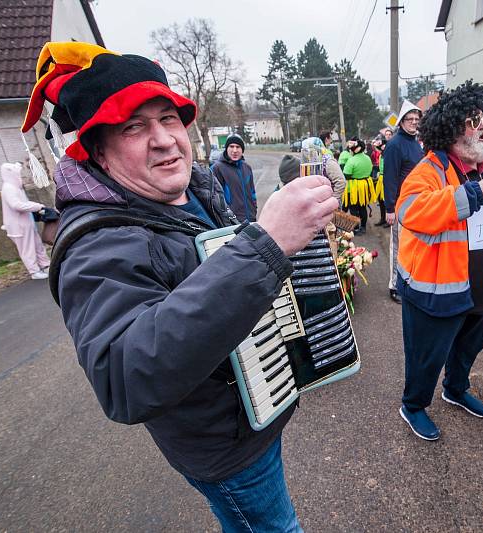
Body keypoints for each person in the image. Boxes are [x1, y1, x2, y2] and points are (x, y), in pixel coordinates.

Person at [21, 42, 337, 531]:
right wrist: (267, 246)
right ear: (98, 152)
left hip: (258, 407)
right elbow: (124, 378)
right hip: (223, 447)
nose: (165, 139)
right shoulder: (95, 244)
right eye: (134, 127)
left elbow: (227, 277)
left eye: (168, 118)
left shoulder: (198, 187)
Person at [395, 80, 483, 441]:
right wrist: (474, 193)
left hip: (478, 281)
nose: (482, 127)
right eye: (474, 121)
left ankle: (456, 389)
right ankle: (413, 406)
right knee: (427, 354)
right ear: (452, 129)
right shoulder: (427, 170)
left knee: (471, 343)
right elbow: (410, 212)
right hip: (435, 285)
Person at [383, 100, 424, 303]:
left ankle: (408, 281)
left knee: (412, 246)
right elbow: (389, 177)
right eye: (410, 119)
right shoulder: (394, 145)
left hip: (417, 204)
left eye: (417, 119)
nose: (414, 122)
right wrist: (389, 208)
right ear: (401, 122)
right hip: (399, 205)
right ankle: (394, 285)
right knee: (398, 247)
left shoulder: (416, 143)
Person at [0, 161, 51, 279]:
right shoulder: (9, 188)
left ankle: (46, 265)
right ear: (10, 174)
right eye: (17, 173)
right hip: (18, 225)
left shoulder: (15, 187)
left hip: (25, 223)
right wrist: (37, 206)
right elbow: (16, 205)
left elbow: (23, 203)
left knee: (37, 245)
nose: (19, 176)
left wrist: (36, 206)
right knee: (27, 249)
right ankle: (34, 271)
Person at [211, 133, 257, 222]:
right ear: (226, 149)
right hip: (232, 223)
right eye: (231, 146)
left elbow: (252, 193)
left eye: (238, 147)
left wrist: (254, 210)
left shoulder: (247, 168)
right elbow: (214, 199)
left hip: (251, 219)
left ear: (242, 150)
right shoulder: (217, 169)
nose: (235, 150)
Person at [342, 137, 375, 234]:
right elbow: (370, 170)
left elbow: (346, 175)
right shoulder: (367, 158)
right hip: (365, 185)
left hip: (354, 187)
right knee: (363, 207)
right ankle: (363, 227)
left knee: (353, 209)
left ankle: (356, 228)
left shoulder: (352, 160)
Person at [301, 136, 345, 201]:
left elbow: (341, 182)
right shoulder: (306, 164)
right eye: (305, 152)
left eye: (309, 152)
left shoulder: (328, 162)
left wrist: (332, 201)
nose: (306, 155)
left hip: (328, 205)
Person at [370, 136, 387, 226]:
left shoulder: (387, 155)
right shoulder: (381, 156)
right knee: (380, 200)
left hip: (387, 179)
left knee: (386, 201)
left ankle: (388, 220)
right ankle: (383, 218)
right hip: (380, 178)